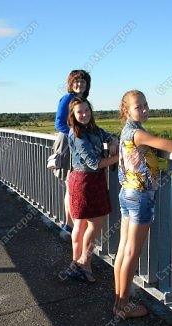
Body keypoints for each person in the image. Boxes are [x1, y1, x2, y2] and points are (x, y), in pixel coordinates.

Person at [114, 90, 172, 318]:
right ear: (126, 111)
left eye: (145, 105)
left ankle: (119, 300)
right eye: (138, 107)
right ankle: (123, 306)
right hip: (140, 196)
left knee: (124, 249)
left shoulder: (128, 131)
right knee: (132, 252)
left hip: (127, 193)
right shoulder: (137, 133)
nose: (144, 109)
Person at [64, 97, 119, 283]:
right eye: (80, 112)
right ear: (73, 115)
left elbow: (107, 135)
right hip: (86, 181)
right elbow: (94, 163)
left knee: (80, 226)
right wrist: (120, 157)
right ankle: (84, 263)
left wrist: (113, 142)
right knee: (94, 226)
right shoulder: (77, 134)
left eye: (87, 110)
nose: (84, 114)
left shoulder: (92, 129)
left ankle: (76, 264)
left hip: (86, 180)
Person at [54, 69, 92, 237]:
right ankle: (69, 225)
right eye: (76, 81)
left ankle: (70, 225)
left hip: (76, 144)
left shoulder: (83, 101)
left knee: (71, 187)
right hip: (67, 145)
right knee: (70, 186)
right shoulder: (67, 99)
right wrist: (77, 133)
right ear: (71, 83)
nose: (79, 84)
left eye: (82, 81)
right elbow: (59, 124)